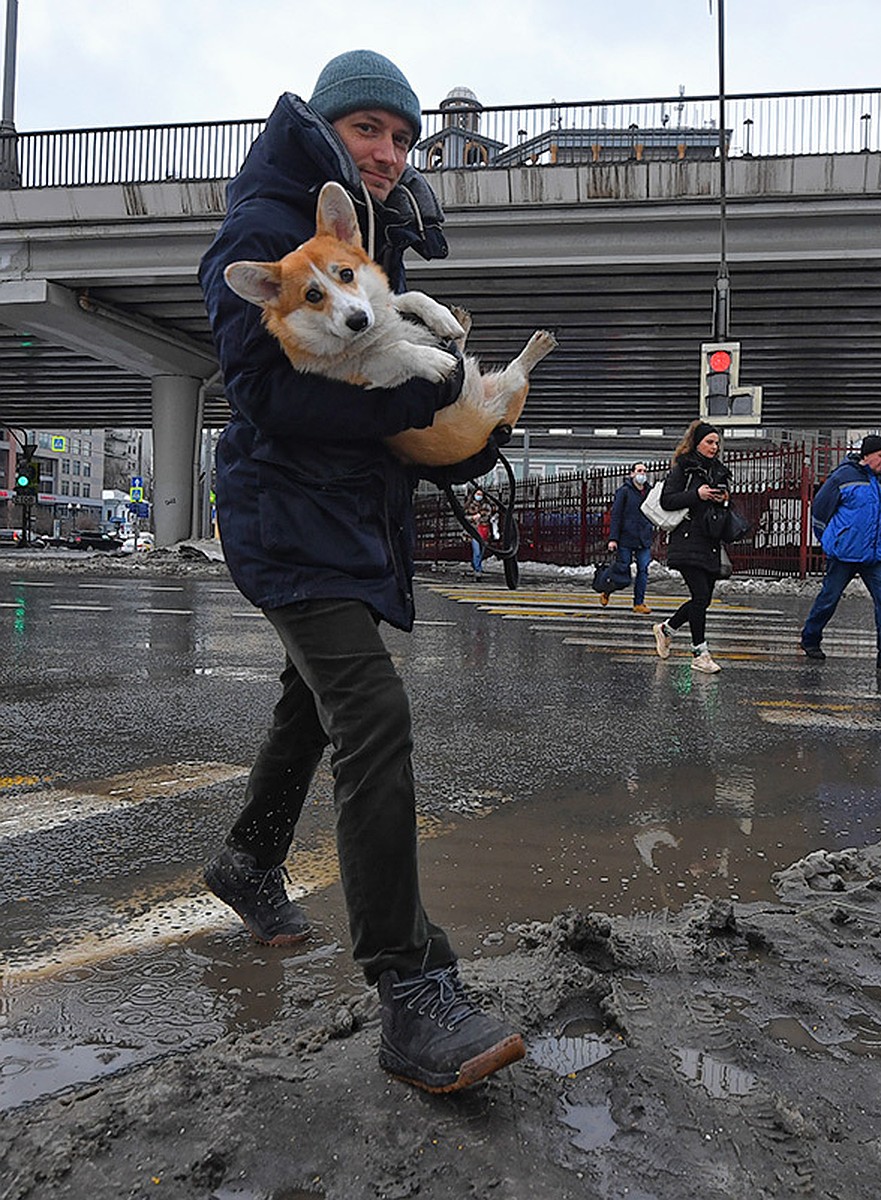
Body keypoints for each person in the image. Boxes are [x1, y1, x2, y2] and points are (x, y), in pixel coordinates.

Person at [197, 49, 524, 1094]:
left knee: (315, 697)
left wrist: (467, 436)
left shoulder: (375, 233)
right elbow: (272, 398)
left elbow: (391, 395)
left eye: (404, 137)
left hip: (343, 518)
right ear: (328, 127)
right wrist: (409, 406)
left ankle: (248, 860)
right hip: (282, 519)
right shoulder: (267, 232)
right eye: (371, 129)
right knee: (370, 711)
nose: (389, 154)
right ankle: (410, 986)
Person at [800, 435, 881, 672]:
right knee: (829, 599)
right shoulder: (842, 476)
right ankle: (810, 639)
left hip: (874, 555)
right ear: (867, 455)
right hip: (844, 553)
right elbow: (820, 511)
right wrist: (830, 540)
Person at [651, 421, 733, 673]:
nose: (714, 447)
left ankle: (666, 629)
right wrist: (697, 494)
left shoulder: (718, 470)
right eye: (709, 442)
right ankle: (700, 654)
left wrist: (723, 498)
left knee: (703, 599)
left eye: (716, 443)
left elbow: (719, 504)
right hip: (686, 540)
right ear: (696, 442)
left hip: (709, 540)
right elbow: (667, 500)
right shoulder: (683, 468)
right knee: (699, 596)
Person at [603, 462, 656, 613]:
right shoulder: (624, 491)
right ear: (632, 473)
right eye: (639, 471)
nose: (642, 474)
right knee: (622, 569)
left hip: (643, 537)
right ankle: (607, 590)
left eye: (644, 471)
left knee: (643, 570)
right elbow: (616, 515)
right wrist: (613, 539)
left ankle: (639, 603)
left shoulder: (649, 492)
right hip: (626, 537)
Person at [464, 486, 495, 579]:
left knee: (482, 551)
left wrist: (480, 516)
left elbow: (488, 515)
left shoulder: (486, 505)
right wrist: (472, 518)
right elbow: (464, 517)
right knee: (476, 550)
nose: (479, 496)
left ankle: (475, 564)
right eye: (477, 494)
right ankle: (478, 569)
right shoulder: (470, 505)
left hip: (484, 531)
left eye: (481, 494)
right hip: (474, 531)